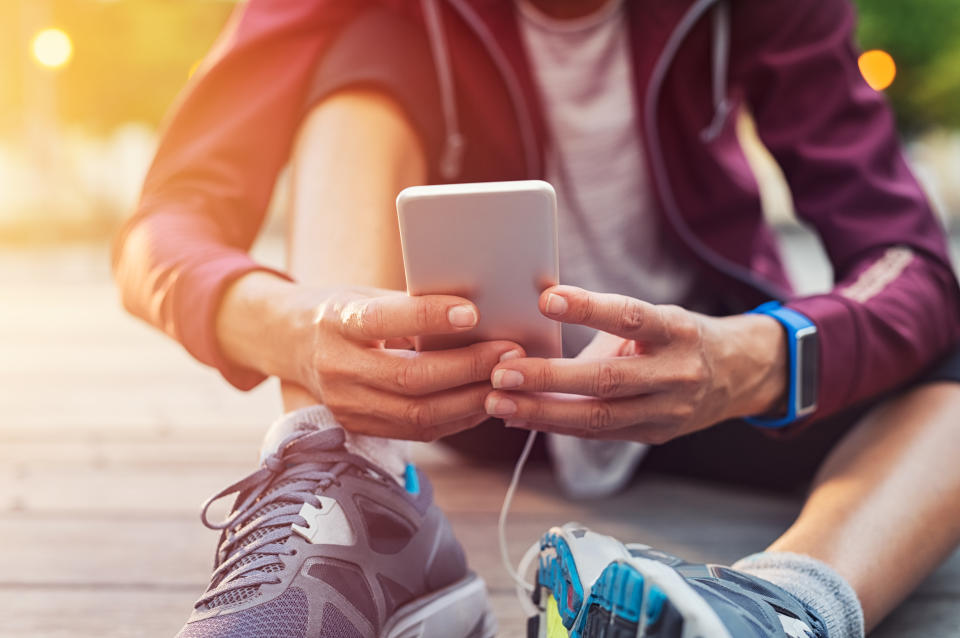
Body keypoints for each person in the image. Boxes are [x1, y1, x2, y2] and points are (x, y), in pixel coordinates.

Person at [112, 0, 960, 636]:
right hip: (466, 390)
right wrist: (293, 324)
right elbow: (164, 226)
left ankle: (780, 607)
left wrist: (757, 356)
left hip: (698, 379)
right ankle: (350, 485)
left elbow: (912, 268)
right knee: (364, 47)